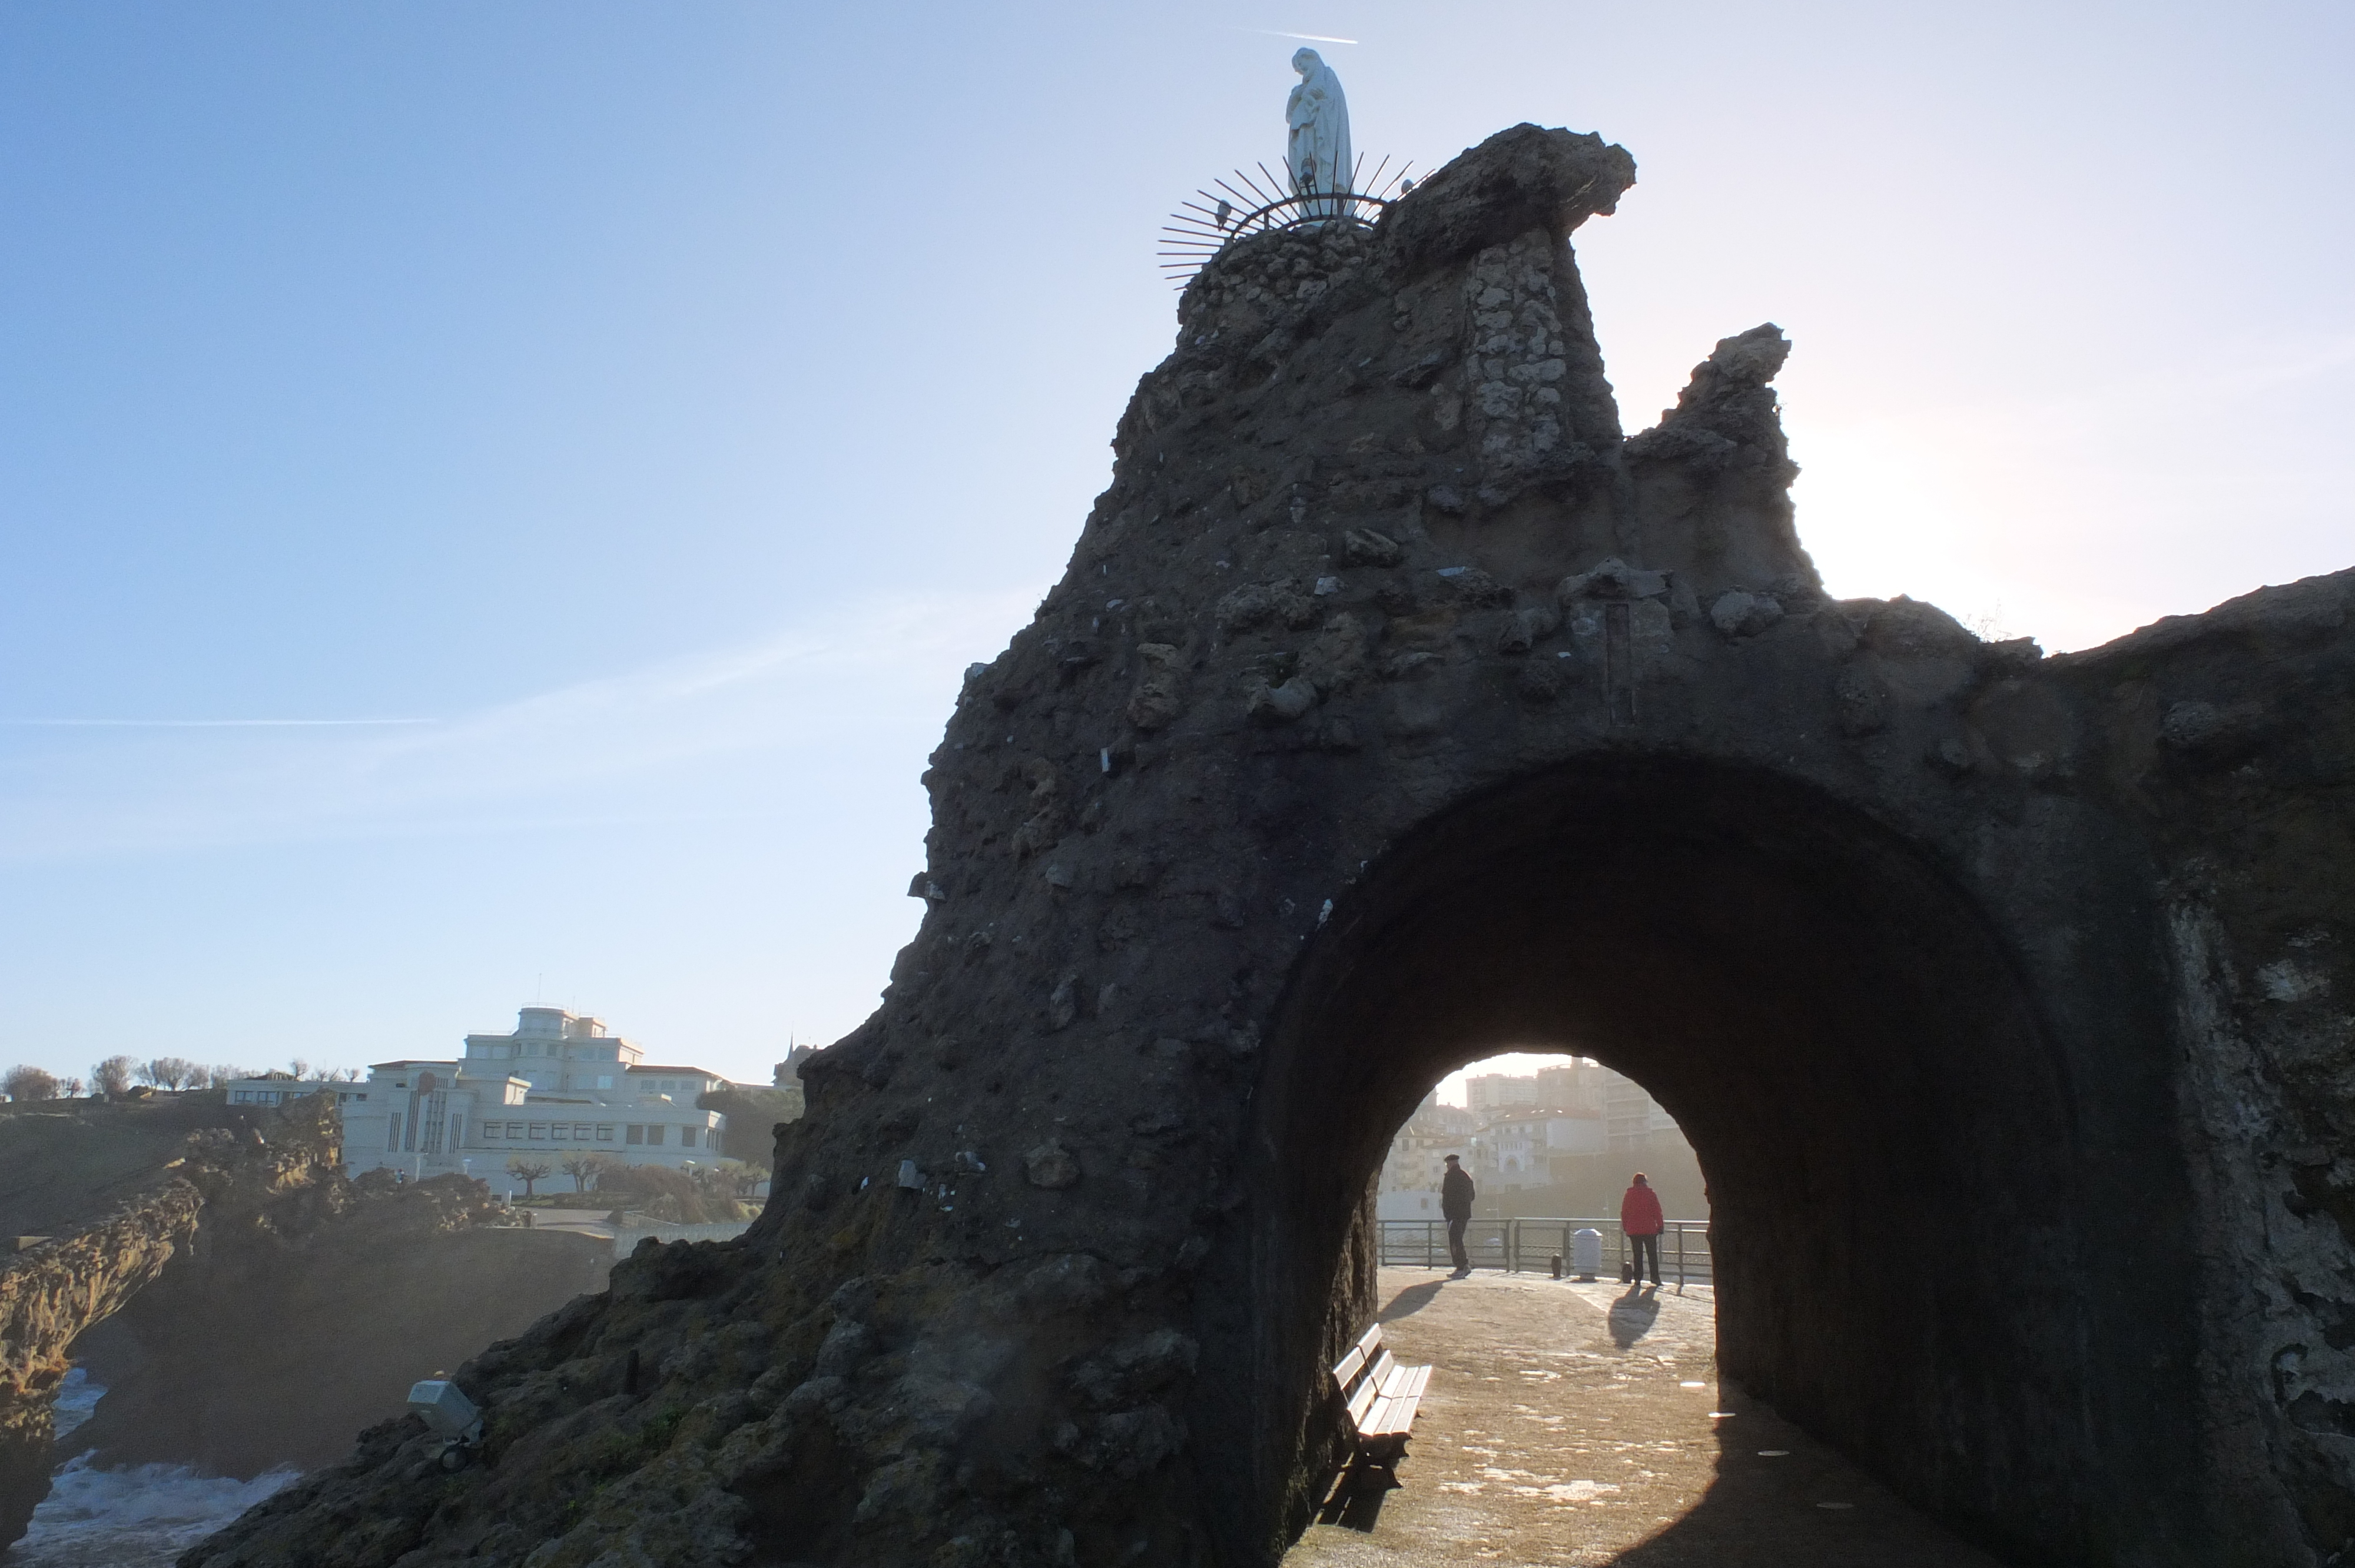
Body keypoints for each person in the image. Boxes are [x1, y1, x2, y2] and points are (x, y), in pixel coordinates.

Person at [1621, 1172, 1665, 1289]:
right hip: (1649, 1229)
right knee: (1652, 1255)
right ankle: (1655, 1278)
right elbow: (1657, 1211)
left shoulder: (1629, 1195)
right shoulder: (1651, 1194)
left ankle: (1638, 1279)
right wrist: (1660, 1225)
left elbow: (1624, 1212)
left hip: (1634, 1230)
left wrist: (1626, 1226)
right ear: (1645, 1182)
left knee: (1638, 1255)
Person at [1441, 1154, 1475, 1278]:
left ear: (1450, 1164)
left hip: (1454, 1216)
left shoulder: (1451, 1177)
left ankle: (1462, 1267)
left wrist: (1450, 1213)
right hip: (1463, 1214)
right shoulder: (1466, 1176)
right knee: (1458, 1240)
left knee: (1455, 1241)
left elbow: (1448, 1197)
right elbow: (1472, 1196)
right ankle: (1462, 1266)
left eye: (1447, 1164)